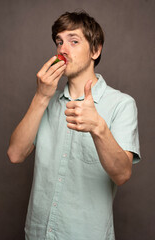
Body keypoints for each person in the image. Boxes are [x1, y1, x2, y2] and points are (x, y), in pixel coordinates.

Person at [7, 11, 140, 240]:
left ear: (95, 50)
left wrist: (98, 127)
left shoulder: (121, 104)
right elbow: (15, 154)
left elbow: (122, 174)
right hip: (37, 234)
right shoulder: (47, 102)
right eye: (59, 42)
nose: (62, 50)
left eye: (74, 41)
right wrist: (41, 97)